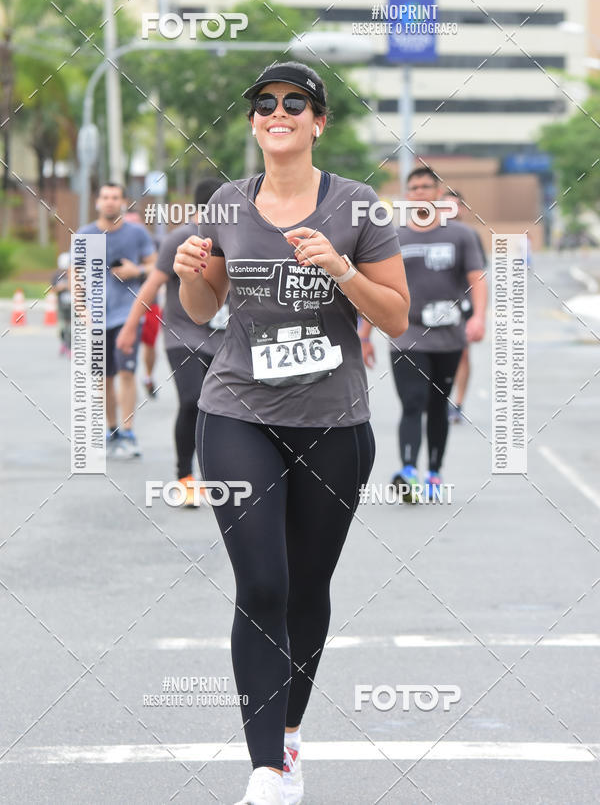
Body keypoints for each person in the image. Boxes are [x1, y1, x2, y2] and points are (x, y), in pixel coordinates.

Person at [173, 61, 409, 805]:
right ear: (253, 123)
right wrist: (187, 273)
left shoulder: (359, 206)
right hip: (237, 410)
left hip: (332, 421)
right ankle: (266, 769)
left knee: (307, 588)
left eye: (294, 103)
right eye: (265, 104)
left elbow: (396, 315)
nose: (278, 112)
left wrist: (340, 267)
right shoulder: (224, 202)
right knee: (262, 584)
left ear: (317, 122)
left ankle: (291, 736)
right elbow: (205, 305)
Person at [360, 166, 487, 502]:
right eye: (413, 187)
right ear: (407, 194)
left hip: (449, 336)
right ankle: (408, 472)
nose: (419, 192)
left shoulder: (460, 235)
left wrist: (479, 318)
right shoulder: (395, 236)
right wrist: (364, 333)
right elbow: (376, 287)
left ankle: (433, 472)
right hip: (406, 334)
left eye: (425, 187)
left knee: (437, 405)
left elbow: (477, 278)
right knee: (412, 403)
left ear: (437, 193)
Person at [117, 177, 226, 502]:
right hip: (183, 336)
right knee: (192, 401)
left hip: (223, 339)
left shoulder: (235, 237)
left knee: (220, 410)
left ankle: (215, 473)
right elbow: (151, 286)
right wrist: (129, 327)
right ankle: (184, 475)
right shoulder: (180, 238)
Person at [77, 182, 156, 458]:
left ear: (123, 202)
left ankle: (129, 431)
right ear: (97, 202)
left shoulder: (136, 233)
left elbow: (155, 267)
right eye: (105, 197)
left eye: (115, 197)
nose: (109, 202)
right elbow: (76, 275)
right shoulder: (85, 234)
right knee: (104, 378)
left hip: (128, 315)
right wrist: (81, 310)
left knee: (126, 373)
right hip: (97, 317)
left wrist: (137, 270)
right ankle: (111, 430)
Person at [442, 189, 488, 424]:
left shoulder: (470, 236)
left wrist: (479, 315)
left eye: (455, 206)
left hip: (462, 306)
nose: (451, 210)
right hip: (431, 307)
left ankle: (457, 403)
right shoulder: (430, 233)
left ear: (463, 209)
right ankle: (436, 400)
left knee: (462, 355)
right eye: (446, 205)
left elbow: (479, 276)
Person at [123, 210, 162, 399]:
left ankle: (148, 375)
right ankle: (126, 377)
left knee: (149, 344)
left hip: (150, 303)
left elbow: (159, 268)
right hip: (122, 304)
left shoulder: (152, 243)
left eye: (137, 223)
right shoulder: (117, 241)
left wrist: (136, 270)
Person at [51, 251, 71, 356]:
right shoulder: (56, 275)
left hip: (73, 305)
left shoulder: (74, 274)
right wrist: (59, 288)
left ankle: (69, 347)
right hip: (61, 305)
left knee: (71, 328)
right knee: (62, 327)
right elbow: (52, 289)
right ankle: (64, 343)